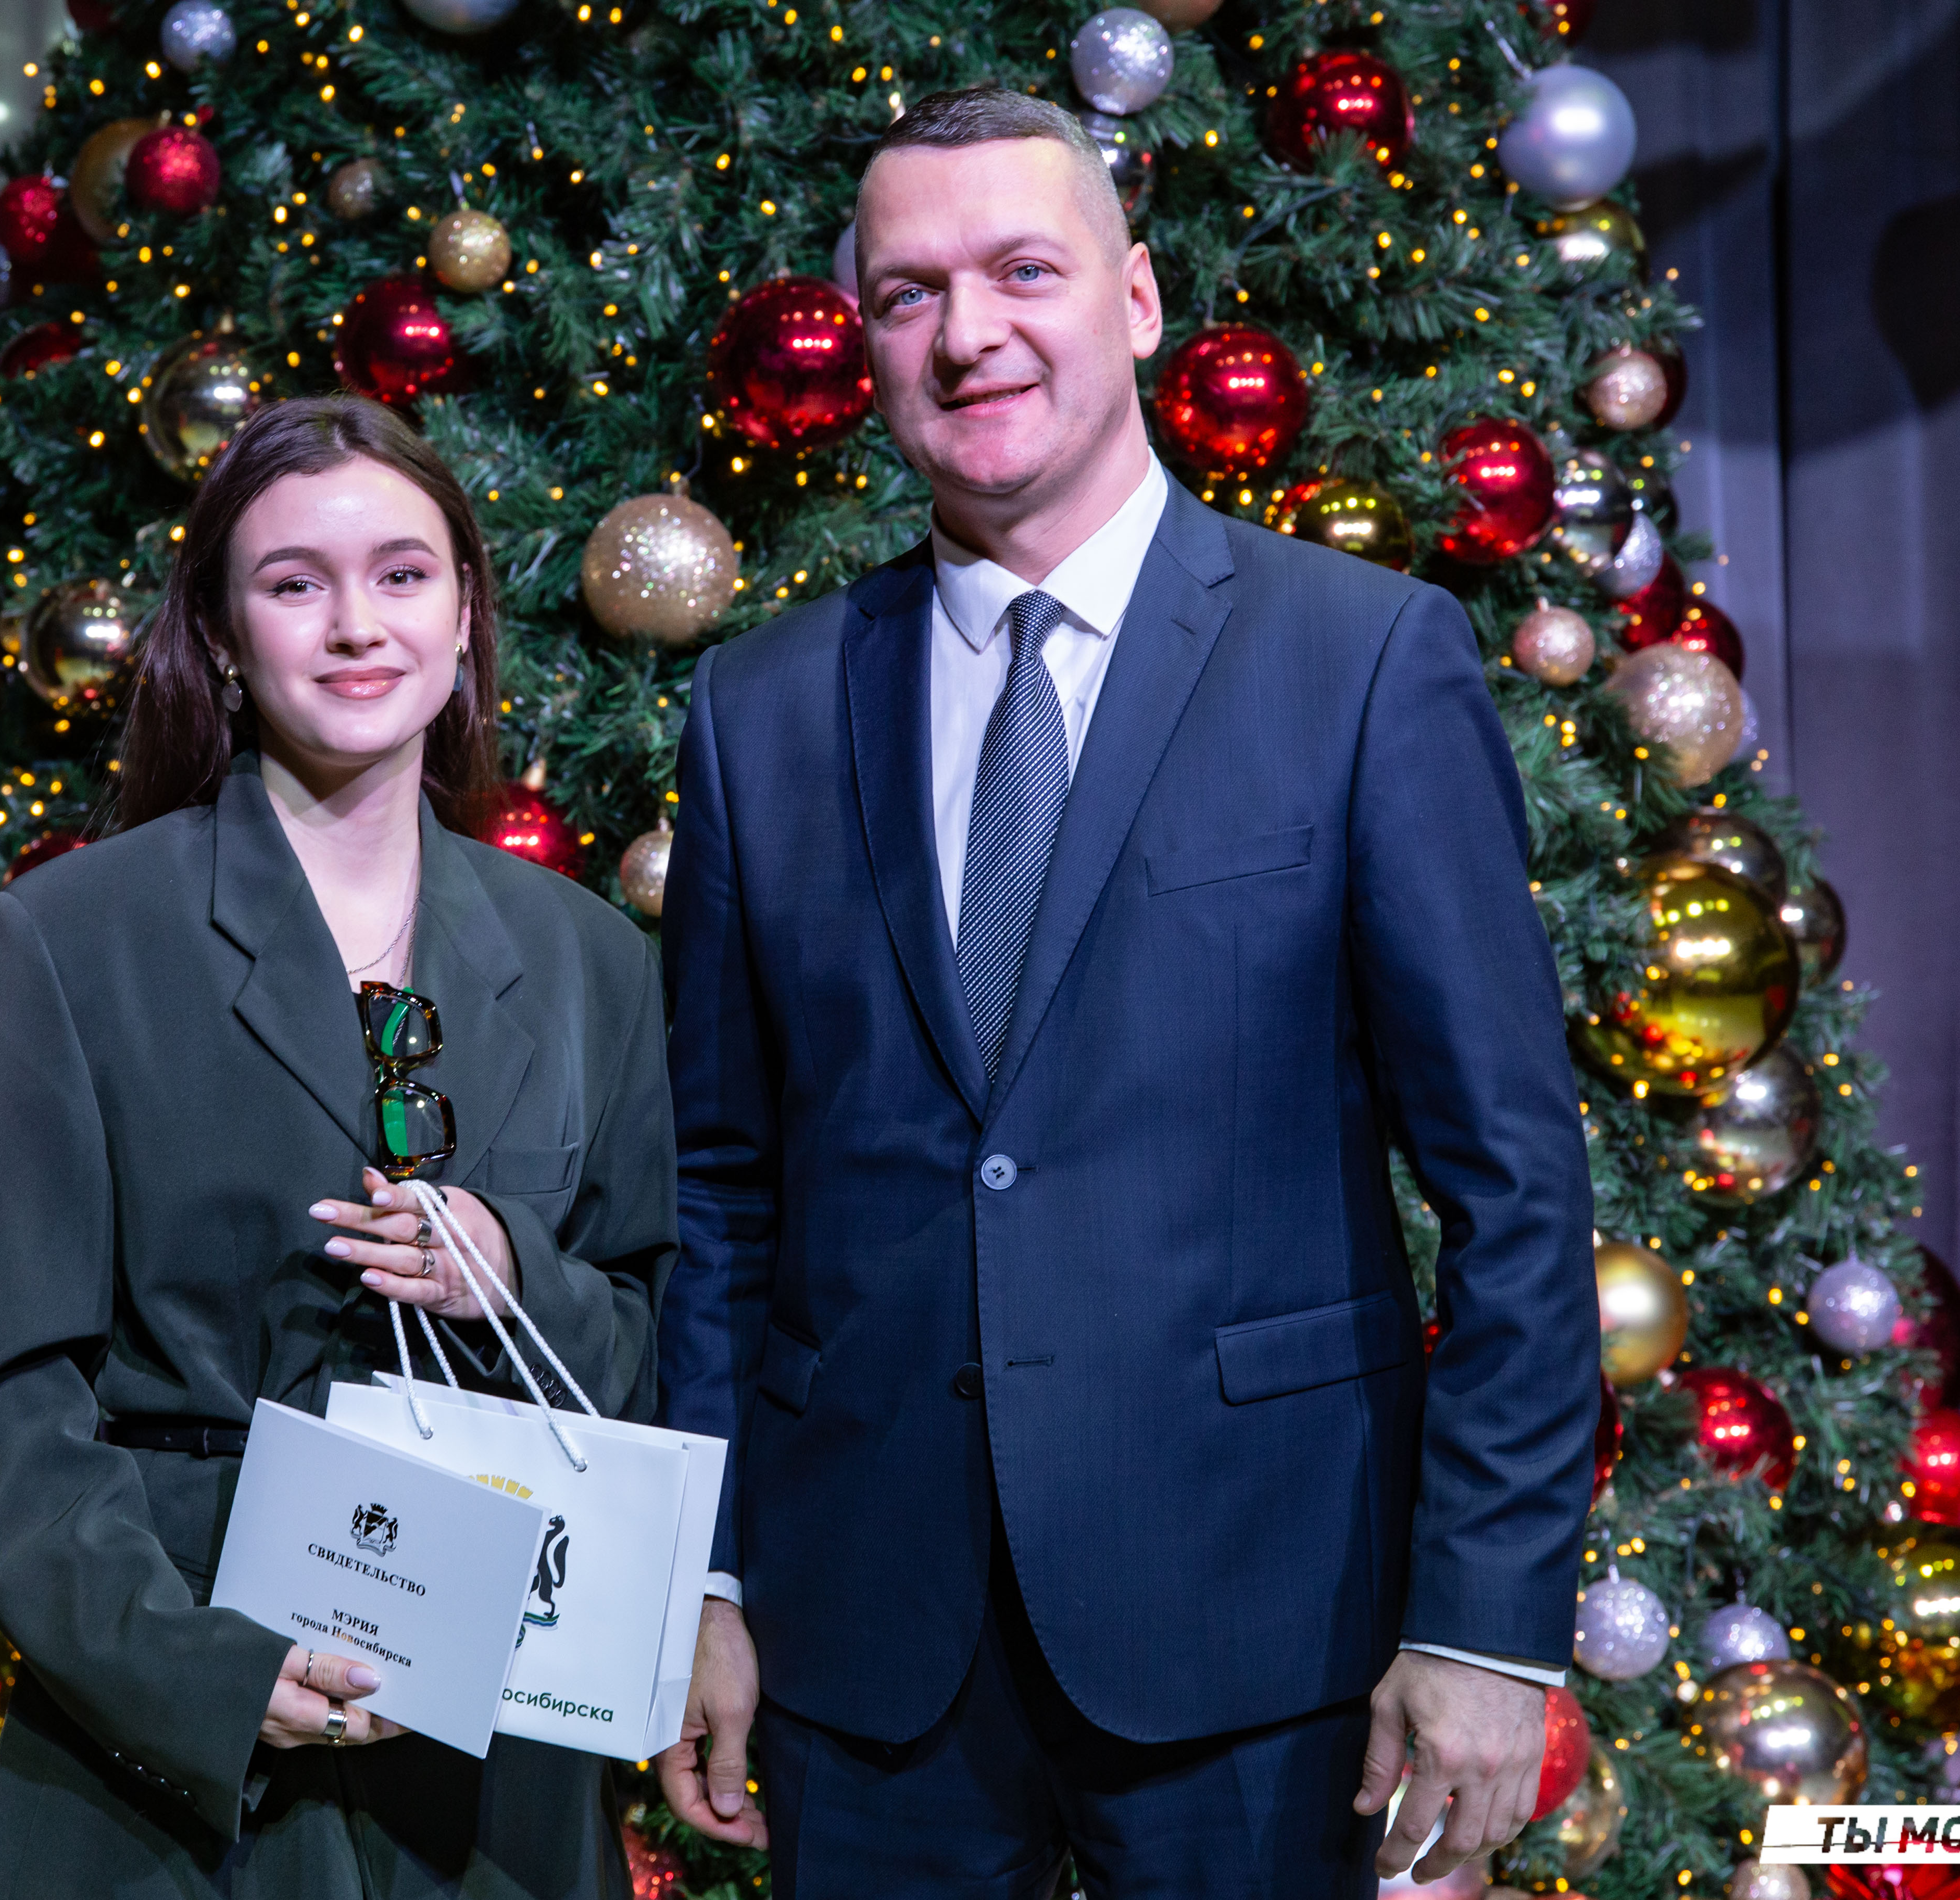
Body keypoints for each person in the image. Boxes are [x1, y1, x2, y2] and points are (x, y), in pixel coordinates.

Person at [655, 87, 1597, 1896]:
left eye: (1025, 270)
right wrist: (701, 1574)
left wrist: (1485, 1619)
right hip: (864, 1644)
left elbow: (1515, 1183)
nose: (969, 333)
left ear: (1141, 298)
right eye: (911, 293)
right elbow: (721, 1190)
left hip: (1266, 1631)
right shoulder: (759, 708)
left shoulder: (1362, 661)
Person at [0, 395, 675, 1898]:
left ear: (465, 613)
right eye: (293, 583)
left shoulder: (588, 954)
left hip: (497, 1757)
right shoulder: (70, 940)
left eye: (402, 574)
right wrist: (200, 1674)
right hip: (179, 1751)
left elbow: (650, 1342)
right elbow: (1, 1414)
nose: (356, 626)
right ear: (220, 634)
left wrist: (512, 1275)